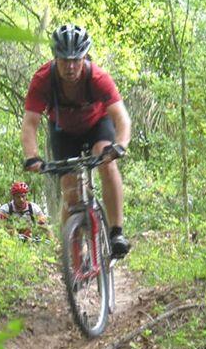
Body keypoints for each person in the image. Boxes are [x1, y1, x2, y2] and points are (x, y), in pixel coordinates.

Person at [21, 24, 132, 258]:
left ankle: (116, 232)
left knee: (106, 158)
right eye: (64, 60)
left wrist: (120, 144)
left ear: (84, 57)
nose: (70, 67)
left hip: (97, 125)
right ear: (55, 58)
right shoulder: (43, 80)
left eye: (76, 60)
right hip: (63, 130)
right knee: (70, 193)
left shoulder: (98, 78)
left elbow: (121, 118)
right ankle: (72, 255)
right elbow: (30, 122)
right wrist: (32, 156)